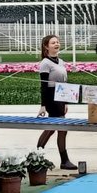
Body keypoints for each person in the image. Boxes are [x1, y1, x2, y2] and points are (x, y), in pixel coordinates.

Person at [36, 34, 77, 171]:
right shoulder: (45, 63)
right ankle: (40, 155)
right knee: (57, 128)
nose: (56, 44)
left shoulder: (61, 62)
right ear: (46, 46)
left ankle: (39, 156)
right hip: (51, 98)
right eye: (53, 42)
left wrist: (66, 102)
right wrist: (43, 105)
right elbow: (43, 85)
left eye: (57, 42)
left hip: (61, 97)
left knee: (57, 128)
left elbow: (64, 83)